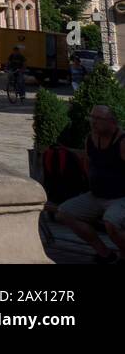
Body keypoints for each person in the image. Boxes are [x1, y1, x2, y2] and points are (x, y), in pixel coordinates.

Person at [52, 105, 125, 263]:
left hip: (120, 198)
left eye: (98, 119)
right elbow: (88, 162)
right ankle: (104, 253)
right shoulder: (91, 139)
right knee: (63, 213)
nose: (93, 122)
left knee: (111, 222)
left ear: (112, 122)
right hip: (96, 195)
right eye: (91, 118)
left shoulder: (122, 142)